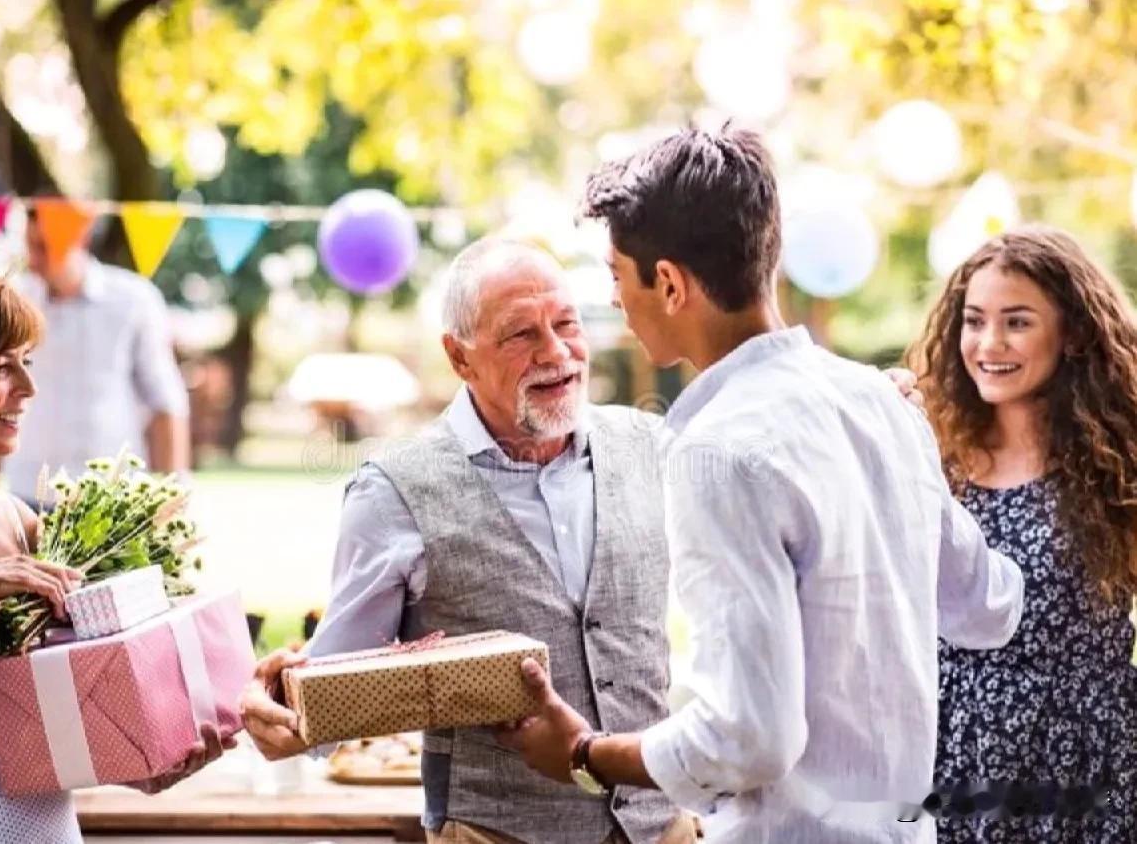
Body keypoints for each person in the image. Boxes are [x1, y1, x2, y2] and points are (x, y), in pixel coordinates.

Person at [498, 125, 1025, 844]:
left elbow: (748, 736)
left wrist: (586, 753)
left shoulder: (719, 452)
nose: (617, 301)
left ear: (671, 284)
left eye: (618, 275)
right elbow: (988, 604)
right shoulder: (879, 404)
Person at [242, 237, 694, 844]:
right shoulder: (393, 493)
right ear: (459, 358)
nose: (556, 352)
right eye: (520, 335)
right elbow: (330, 701)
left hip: (661, 828)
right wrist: (285, 703)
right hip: (495, 833)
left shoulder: (651, 447)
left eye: (565, 323)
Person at [0, 266, 226, 843]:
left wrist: (140, 760)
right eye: (2, 367)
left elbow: (42, 719)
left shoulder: (19, 523)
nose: (28, 387)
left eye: (27, 361)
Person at [908, 225, 1137, 842]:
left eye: (1017, 322)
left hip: (1084, 772)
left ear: (1074, 331)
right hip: (953, 762)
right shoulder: (929, 457)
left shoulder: (1119, 466)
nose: (989, 343)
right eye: (975, 320)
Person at [0, 206, 190, 507]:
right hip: (25, 492)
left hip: (111, 494)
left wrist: (172, 493)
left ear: (80, 237)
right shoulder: (13, 299)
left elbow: (165, 401)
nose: (32, 260)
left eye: (42, 247)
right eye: (29, 246)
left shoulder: (134, 299)